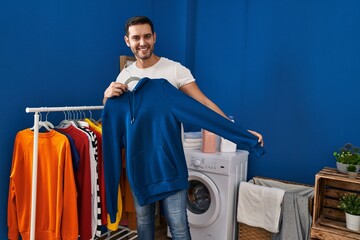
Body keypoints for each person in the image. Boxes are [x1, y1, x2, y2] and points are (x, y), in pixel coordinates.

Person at [102, 16, 264, 240]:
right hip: (139, 168)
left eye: (147, 36)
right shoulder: (124, 77)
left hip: (170, 165)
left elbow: (204, 106)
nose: (142, 42)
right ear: (127, 41)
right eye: (136, 37)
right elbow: (113, 118)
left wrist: (241, 135)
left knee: (178, 227)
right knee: (144, 225)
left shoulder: (173, 71)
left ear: (154, 37)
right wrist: (106, 97)